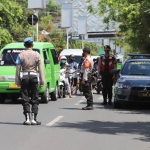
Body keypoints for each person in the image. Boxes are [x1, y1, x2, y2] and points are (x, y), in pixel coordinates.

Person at [15, 37, 45, 125]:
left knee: (25, 97)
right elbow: (41, 68)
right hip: (34, 76)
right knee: (35, 97)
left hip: (24, 76)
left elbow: (18, 68)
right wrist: (42, 80)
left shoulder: (20, 55)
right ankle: (34, 119)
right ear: (32, 45)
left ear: (25, 45)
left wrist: (17, 80)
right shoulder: (37, 54)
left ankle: (27, 119)